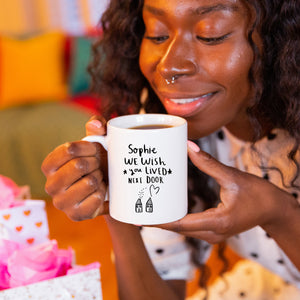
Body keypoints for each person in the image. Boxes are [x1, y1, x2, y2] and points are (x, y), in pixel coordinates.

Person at [41, 0, 300, 299]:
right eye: (158, 34)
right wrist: (115, 204)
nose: (168, 67)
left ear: (282, 41)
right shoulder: (171, 117)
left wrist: (280, 213)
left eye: (210, 35)